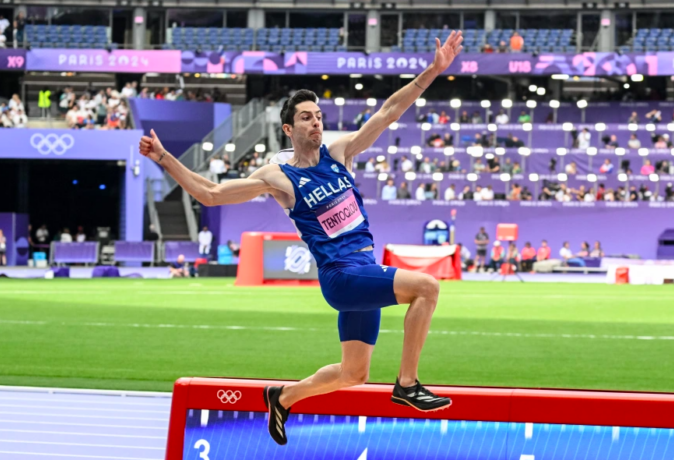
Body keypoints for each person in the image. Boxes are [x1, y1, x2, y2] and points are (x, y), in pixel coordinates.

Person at [139, 30, 465, 444]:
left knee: (354, 374)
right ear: (289, 129)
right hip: (341, 276)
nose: (316, 122)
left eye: (319, 116)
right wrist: (164, 157)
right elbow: (212, 193)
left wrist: (433, 71)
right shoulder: (279, 177)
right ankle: (407, 384)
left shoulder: (340, 154)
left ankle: (283, 397)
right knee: (427, 287)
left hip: (363, 270)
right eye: (307, 117)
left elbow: (388, 112)